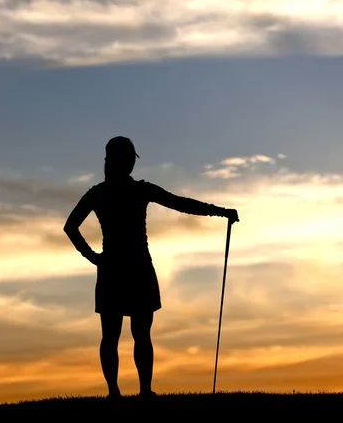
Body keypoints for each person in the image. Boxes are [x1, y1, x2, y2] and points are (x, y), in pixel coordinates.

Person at [63, 136, 239, 401]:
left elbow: (70, 227)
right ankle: (138, 392)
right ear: (129, 162)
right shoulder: (133, 190)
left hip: (116, 267)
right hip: (135, 266)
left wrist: (95, 258)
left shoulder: (100, 193)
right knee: (135, 335)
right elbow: (180, 203)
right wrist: (221, 212)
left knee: (113, 335)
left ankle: (118, 393)